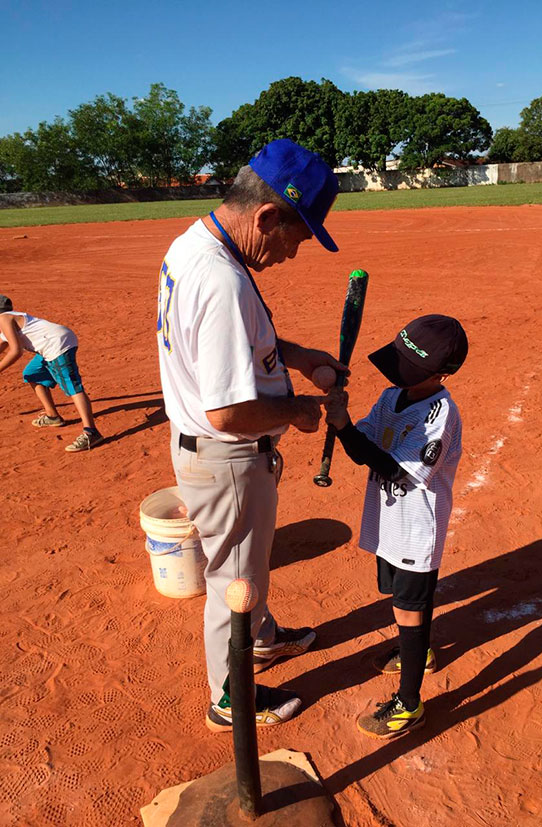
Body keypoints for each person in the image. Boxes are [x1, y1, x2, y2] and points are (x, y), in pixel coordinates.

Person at [157, 139, 345, 732]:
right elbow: (229, 413)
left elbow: (244, 341)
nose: (293, 252)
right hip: (228, 457)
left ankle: (260, 637)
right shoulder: (223, 282)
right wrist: (300, 410)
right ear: (267, 216)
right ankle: (229, 696)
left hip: (214, 456)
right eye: (297, 235)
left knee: (249, 565)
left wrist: (296, 354)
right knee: (232, 582)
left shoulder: (200, 242)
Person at [325, 314, 468, 739]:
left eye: (411, 367)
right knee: (398, 601)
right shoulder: (392, 396)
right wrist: (343, 419)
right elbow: (361, 447)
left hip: (416, 529)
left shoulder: (439, 416)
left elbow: (390, 465)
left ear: (442, 373)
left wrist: (345, 427)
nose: (399, 374)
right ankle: (418, 651)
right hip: (388, 522)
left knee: (410, 607)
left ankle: (409, 703)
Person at [0, 295, 103, 452]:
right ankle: (52, 416)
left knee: (72, 387)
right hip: (53, 342)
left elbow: (16, 351)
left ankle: (91, 432)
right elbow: (3, 344)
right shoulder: (7, 320)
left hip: (56, 345)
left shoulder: (4, 319)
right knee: (32, 374)